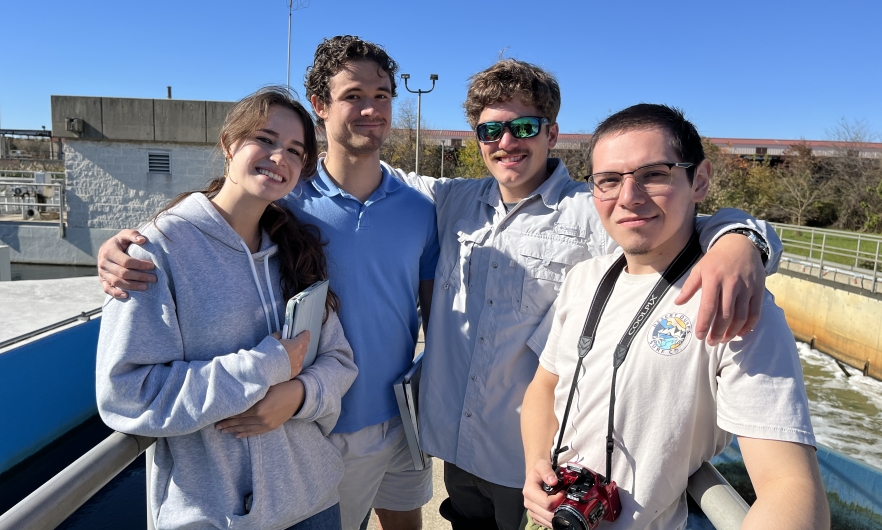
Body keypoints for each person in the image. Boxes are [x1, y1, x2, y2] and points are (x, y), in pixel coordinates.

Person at [385, 59, 782, 530]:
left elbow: (689, 225)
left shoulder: (596, 206)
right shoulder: (453, 202)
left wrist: (743, 241)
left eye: (523, 127)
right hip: (455, 442)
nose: (506, 143)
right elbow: (373, 177)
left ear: (551, 133)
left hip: (529, 463)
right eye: (490, 131)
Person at [96, 36, 439, 530]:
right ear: (320, 105)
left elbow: (424, 313)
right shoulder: (284, 204)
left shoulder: (411, 209)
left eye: (382, 95)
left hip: (388, 422)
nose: (370, 109)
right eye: (352, 96)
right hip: (307, 441)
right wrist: (119, 254)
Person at [521, 103, 828, 530]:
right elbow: (544, 386)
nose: (629, 197)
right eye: (608, 180)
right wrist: (537, 462)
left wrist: (741, 239)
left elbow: (789, 486)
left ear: (698, 180)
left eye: (654, 174)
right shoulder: (584, 279)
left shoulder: (735, 304)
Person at [96, 87, 358, 529]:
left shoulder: (296, 249)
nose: (280, 157)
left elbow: (339, 360)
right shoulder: (156, 251)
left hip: (314, 503)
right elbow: (126, 392)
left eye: (295, 150)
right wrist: (264, 366)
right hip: (219, 517)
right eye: (266, 139)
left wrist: (297, 396)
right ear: (228, 143)